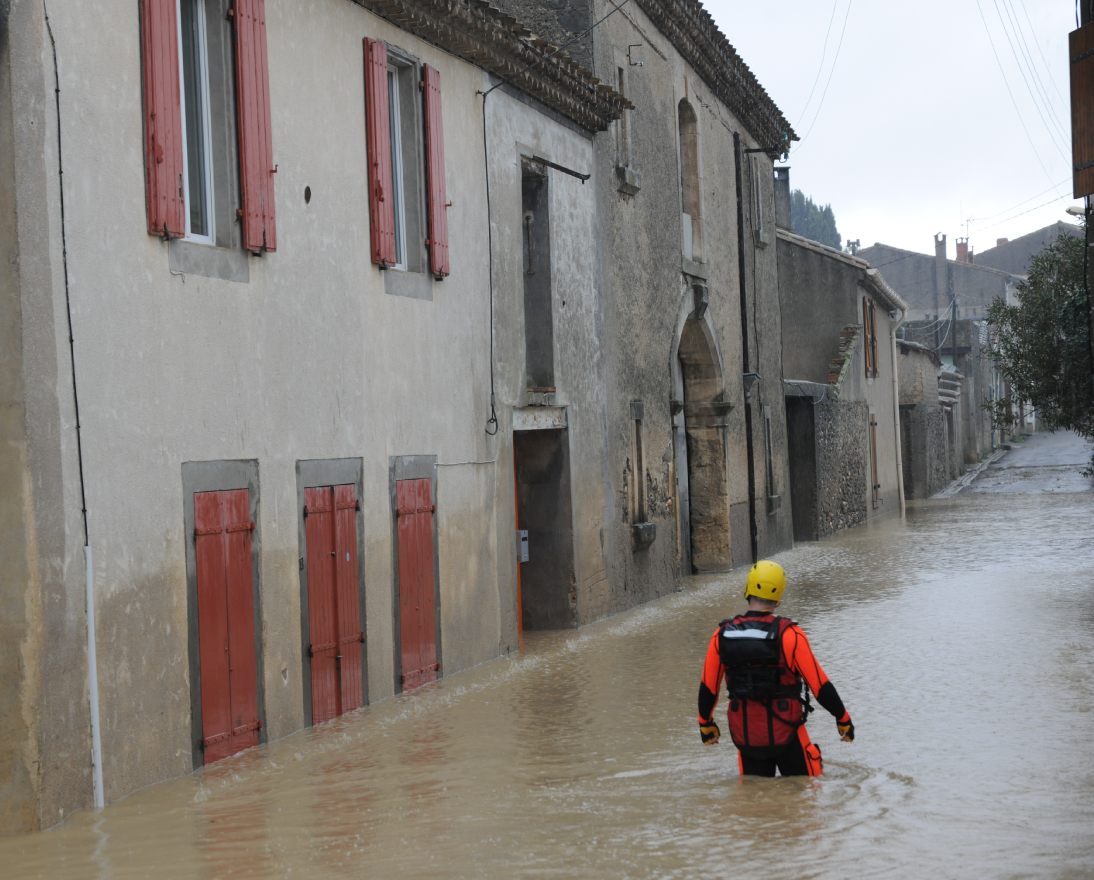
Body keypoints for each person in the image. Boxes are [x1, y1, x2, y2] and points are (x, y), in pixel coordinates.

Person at [696, 560, 854, 777]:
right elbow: (820, 685)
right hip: (787, 731)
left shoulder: (722, 635)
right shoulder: (791, 635)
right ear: (779, 596)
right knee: (804, 797)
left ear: (747, 589)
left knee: (755, 800)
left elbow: (708, 687)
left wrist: (706, 724)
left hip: (747, 735)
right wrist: (842, 718)